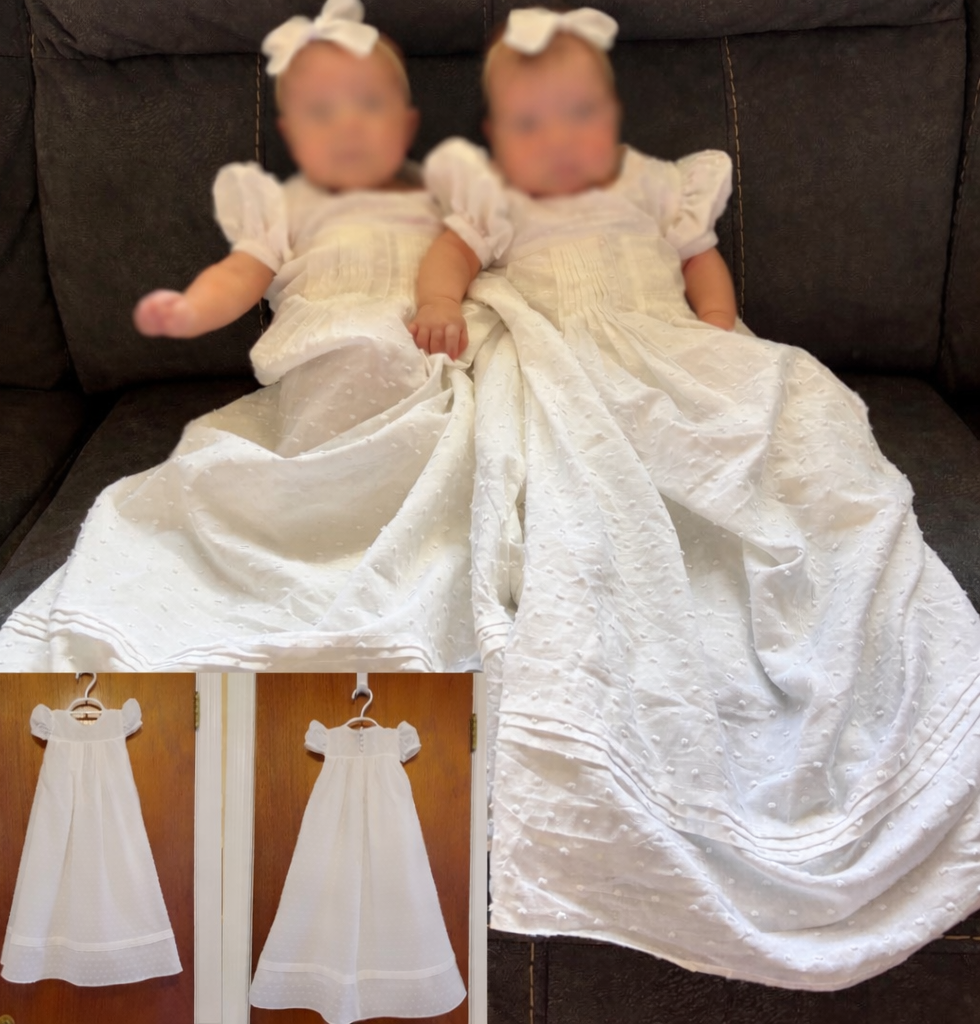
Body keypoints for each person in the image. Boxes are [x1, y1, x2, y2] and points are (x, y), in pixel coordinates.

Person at [417, 5, 980, 990]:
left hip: (669, 353)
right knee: (585, 489)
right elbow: (454, 257)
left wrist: (720, 328)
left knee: (784, 438)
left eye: (577, 114)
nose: (557, 140)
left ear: (612, 109)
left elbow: (697, 263)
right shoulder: (496, 196)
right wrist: (434, 301)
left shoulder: (653, 185)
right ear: (500, 135)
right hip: (568, 356)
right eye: (529, 124)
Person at [0, 0, 494, 671]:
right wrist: (192, 310)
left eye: (367, 104)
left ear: (406, 122)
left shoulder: (432, 196)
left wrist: (439, 300)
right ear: (293, 135)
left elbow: (461, 250)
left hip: (421, 346)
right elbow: (241, 273)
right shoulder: (287, 208)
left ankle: (417, 533)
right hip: (328, 349)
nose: (346, 126)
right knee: (336, 377)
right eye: (321, 112)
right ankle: (323, 526)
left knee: (456, 424)